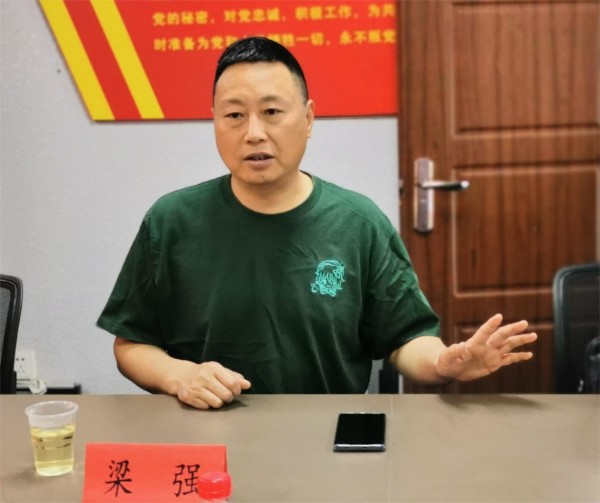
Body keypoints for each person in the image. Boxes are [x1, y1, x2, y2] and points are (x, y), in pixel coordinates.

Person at [97, 37, 537, 410]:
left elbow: (406, 338)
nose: (253, 132)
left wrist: (445, 364)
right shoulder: (172, 220)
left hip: (328, 437)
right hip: (207, 442)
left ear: (308, 119)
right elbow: (131, 344)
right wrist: (179, 376)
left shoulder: (359, 223)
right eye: (234, 115)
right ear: (214, 120)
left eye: (272, 112)